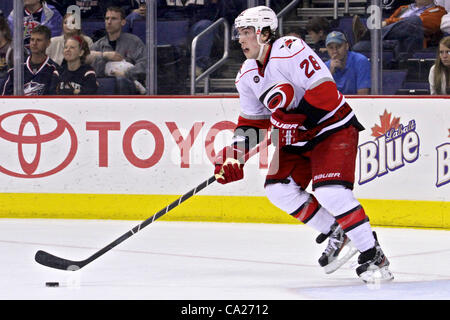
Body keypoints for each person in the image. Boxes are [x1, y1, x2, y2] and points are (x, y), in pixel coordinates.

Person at [213, 6, 394, 283]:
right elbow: (253, 123)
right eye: (239, 33)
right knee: (278, 189)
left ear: (264, 33)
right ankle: (338, 231)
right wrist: (233, 156)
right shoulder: (247, 75)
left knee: (331, 192)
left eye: (247, 32)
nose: (240, 39)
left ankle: (372, 253)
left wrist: (295, 120)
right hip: (296, 138)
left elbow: (325, 90)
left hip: (331, 128)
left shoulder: (289, 48)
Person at [89, 6, 146, 95]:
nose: (109, 22)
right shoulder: (97, 45)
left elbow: (145, 65)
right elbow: (91, 70)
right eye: (107, 18)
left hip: (129, 87)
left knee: (121, 80)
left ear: (123, 22)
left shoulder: (134, 41)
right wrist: (103, 55)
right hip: (104, 89)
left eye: (114, 19)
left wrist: (126, 73)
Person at [353, 0, 446, 54]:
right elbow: (391, 23)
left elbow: (422, 23)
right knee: (358, 47)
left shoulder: (439, 11)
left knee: (414, 20)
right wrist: (387, 22)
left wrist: (386, 23)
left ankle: (369, 34)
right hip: (389, 42)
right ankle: (370, 35)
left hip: (412, 43)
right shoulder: (403, 8)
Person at [2, 25, 60, 95]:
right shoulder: (16, 70)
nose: (34, 43)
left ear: (48, 43)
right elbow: (4, 98)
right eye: (32, 39)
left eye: (39, 40)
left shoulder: (54, 70)